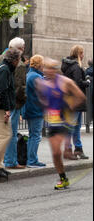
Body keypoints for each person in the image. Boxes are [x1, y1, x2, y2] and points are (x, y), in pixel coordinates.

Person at [37, 58, 86, 190]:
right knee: (55, 153)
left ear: (56, 70)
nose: (48, 71)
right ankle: (63, 178)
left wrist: (69, 107)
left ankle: (68, 150)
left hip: (64, 120)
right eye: (46, 68)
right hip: (52, 121)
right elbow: (43, 100)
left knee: (58, 149)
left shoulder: (66, 82)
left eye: (51, 68)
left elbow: (81, 96)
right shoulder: (41, 83)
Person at [0, 48, 22, 179]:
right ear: (15, 60)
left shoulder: (5, 68)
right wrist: (7, 110)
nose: (19, 62)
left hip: (1, 108)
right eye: (19, 59)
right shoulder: (4, 70)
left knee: (5, 136)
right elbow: (2, 92)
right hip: (0, 109)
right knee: (3, 136)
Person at [0, 37, 27, 170]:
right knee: (11, 134)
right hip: (12, 103)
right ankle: (10, 161)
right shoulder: (19, 64)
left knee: (1, 134)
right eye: (23, 48)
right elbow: (19, 87)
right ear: (20, 49)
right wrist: (22, 100)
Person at [61, 45, 90, 160]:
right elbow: (77, 83)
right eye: (82, 53)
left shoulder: (67, 66)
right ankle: (69, 150)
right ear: (78, 54)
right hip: (75, 101)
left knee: (74, 126)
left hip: (69, 100)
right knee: (73, 127)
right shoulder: (76, 67)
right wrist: (86, 82)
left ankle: (77, 149)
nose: (83, 56)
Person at [23, 55, 46, 168]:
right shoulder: (36, 77)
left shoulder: (30, 75)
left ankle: (32, 159)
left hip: (30, 108)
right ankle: (32, 160)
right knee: (36, 136)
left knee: (33, 135)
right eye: (43, 64)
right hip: (36, 109)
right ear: (39, 65)